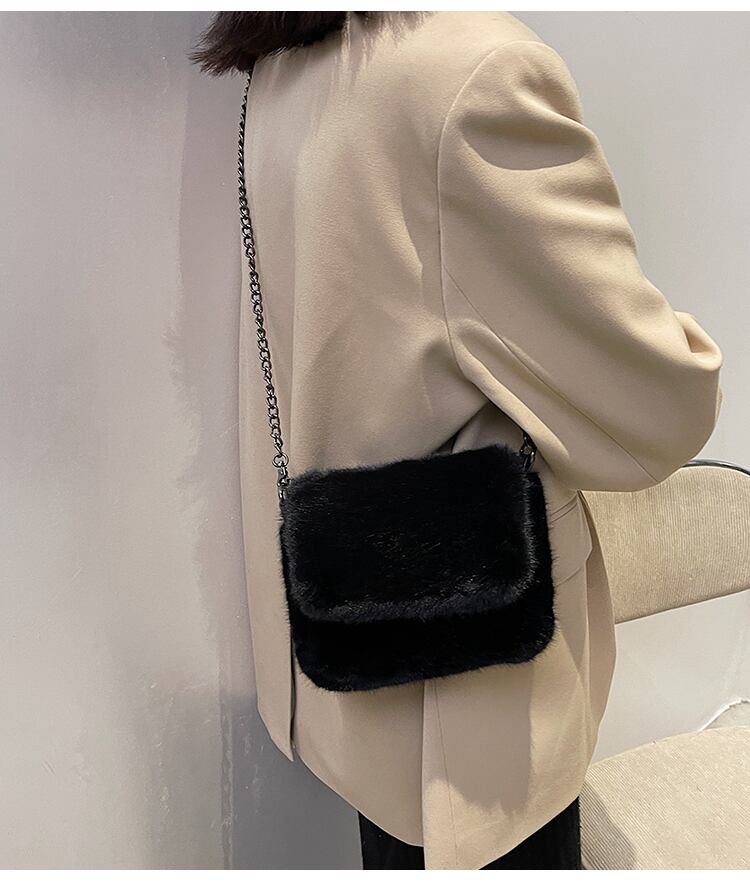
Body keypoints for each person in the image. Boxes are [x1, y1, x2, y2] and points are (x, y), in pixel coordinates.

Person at [191, 11, 724, 870]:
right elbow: (660, 409)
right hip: (476, 697)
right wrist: (685, 353)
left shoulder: (283, 68)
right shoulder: (473, 73)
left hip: (353, 653)